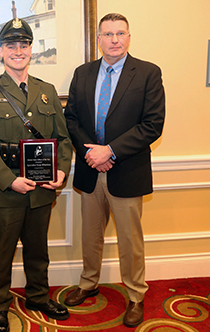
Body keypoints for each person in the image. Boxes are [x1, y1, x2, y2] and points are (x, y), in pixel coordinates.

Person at [0, 18, 72, 332]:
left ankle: (38, 296)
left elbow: (63, 139)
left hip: (42, 187)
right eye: (11, 45)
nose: (18, 51)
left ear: (31, 50)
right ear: (0, 51)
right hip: (6, 190)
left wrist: (61, 170)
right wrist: (10, 179)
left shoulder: (46, 91)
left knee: (38, 249)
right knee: (1, 253)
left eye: (24, 45)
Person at [64, 13, 165, 328]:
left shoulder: (147, 73)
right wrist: (93, 154)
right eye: (108, 34)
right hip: (90, 169)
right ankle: (88, 282)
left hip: (127, 170)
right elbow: (72, 120)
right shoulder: (83, 73)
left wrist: (111, 151)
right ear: (99, 39)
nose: (115, 40)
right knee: (90, 234)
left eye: (120, 33)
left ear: (129, 37)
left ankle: (136, 295)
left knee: (129, 240)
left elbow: (153, 124)